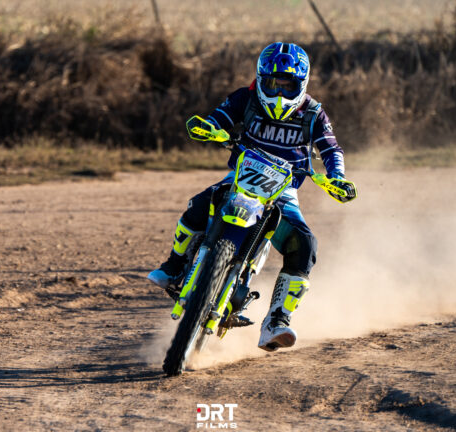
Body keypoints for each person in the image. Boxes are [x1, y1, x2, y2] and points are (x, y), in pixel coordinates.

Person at [148, 42, 353, 352]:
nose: (280, 91)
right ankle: (175, 266)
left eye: (288, 85)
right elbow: (220, 117)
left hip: (283, 193)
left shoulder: (313, 113)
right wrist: (209, 128)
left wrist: (336, 176)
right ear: (261, 79)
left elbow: (331, 149)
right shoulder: (246, 97)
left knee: (305, 245)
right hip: (239, 181)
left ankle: (276, 321)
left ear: (302, 84)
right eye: (273, 83)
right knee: (197, 206)